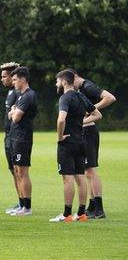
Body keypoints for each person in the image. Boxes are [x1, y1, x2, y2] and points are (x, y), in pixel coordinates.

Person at [50, 70, 101, 222]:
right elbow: (98, 114)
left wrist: (59, 137)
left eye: (58, 81)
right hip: (81, 142)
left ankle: (66, 215)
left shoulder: (65, 98)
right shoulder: (80, 96)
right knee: (80, 177)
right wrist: (80, 124)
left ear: (64, 82)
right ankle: (81, 213)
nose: (56, 84)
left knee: (68, 178)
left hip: (67, 143)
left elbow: (61, 120)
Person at [70, 69, 116, 219]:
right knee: (87, 172)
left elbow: (110, 98)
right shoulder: (81, 89)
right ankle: (92, 206)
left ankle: (99, 208)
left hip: (89, 133)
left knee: (90, 171)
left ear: (76, 77)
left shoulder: (87, 86)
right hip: (85, 132)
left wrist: (91, 109)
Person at [8, 67, 37, 216]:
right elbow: (11, 113)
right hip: (15, 137)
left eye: (15, 79)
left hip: (23, 138)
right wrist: (13, 110)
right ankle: (21, 205)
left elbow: (15, 117)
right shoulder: (20, 95)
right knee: (17, 171)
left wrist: (13, 111)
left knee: (23, 172)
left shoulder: (29, 96)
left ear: (23, 79)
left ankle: (27, 207)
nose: (13, 82)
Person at [0, 62, 22, 214]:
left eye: (4, 76)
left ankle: (24, 202)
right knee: (13, 170)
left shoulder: (17, 93)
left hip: (15, 136)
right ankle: (21, 201)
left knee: (18, 170)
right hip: (7, 135)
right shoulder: (10, 92)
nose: (2, 79)